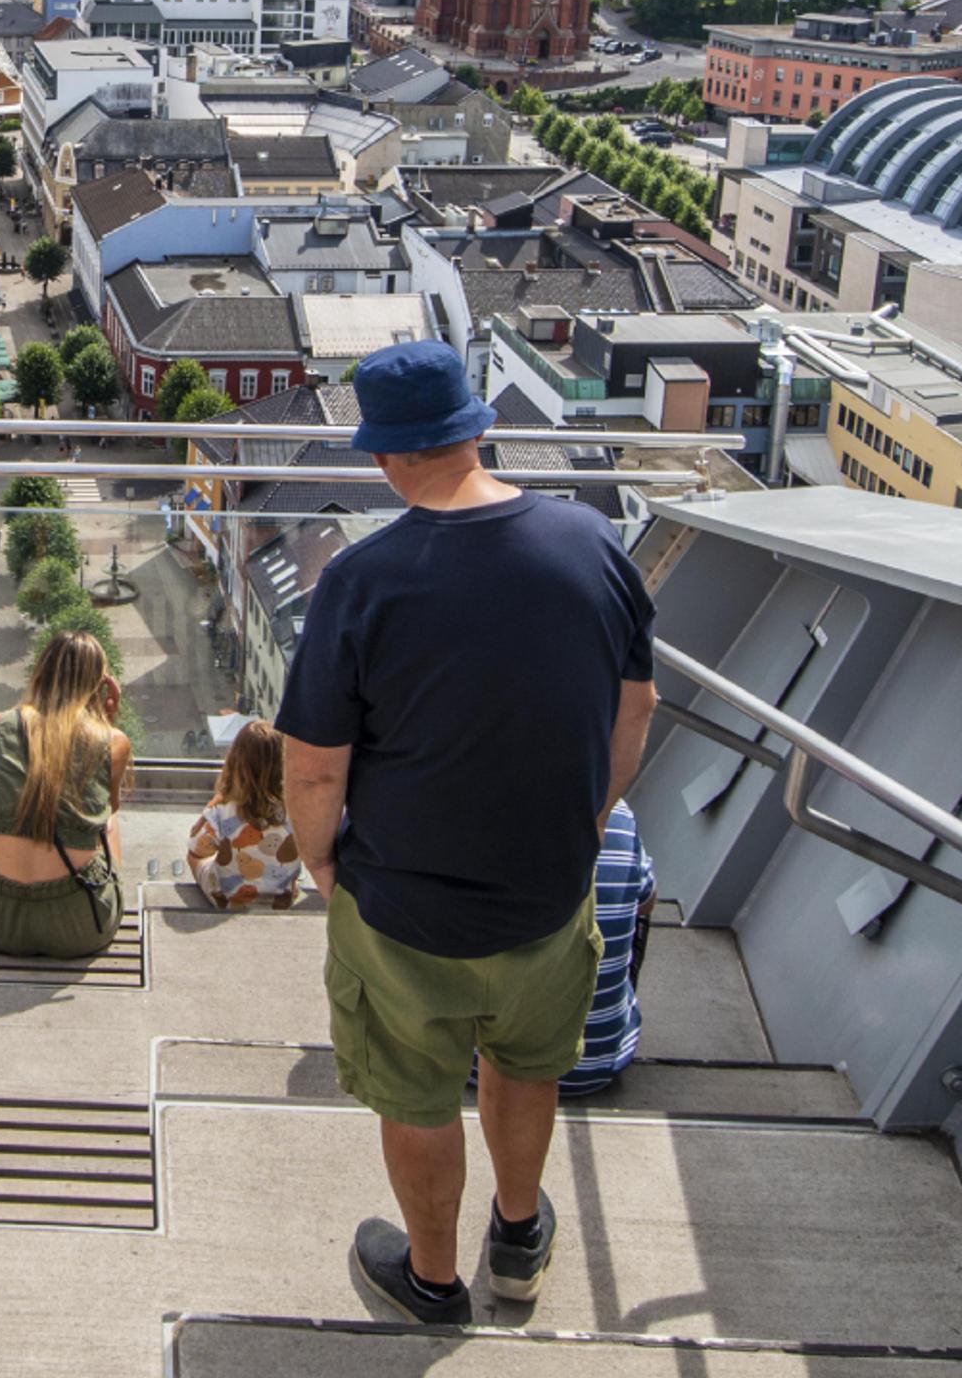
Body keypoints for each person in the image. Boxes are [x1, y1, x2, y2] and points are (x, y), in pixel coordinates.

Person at [277, 339, 655, 1325]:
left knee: (416, 1093)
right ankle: (520, 1235)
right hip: (548, 892)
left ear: (382, 458)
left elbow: (316, 762)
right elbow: (638, 705)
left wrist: (321, 856)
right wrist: (589, 815)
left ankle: (434, 1282)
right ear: (479, 429)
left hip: (404, 904)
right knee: (528, 1068)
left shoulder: (363, 581)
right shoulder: (591, 545)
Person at [0, 630, 132, 958]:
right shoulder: (112, 741)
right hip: (81, 922)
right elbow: (107, 811)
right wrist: (108, 721)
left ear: (40, 672)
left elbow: (20, 783)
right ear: (98, 684)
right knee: (109, 818)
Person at [553, 804, 655, 1098]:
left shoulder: (485, 799)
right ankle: (605, 1011)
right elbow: (648, 902)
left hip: (483, 1069)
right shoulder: (619, 815)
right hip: (601, 1063)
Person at [187, 717, 305, 911]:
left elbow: (197, 849)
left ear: (234, 762)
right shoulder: (299, 811)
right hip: (281, 901)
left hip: (228, 901)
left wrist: (214, 804)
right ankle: (281, 889)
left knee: (196, 858)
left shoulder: (221, 812)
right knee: (289, 864)